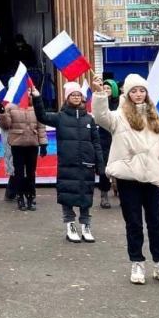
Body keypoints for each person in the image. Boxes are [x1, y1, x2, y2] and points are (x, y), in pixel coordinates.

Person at [92, 74, 159, 286]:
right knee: (134, 223)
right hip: (129, 176)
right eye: (134, 91)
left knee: (156, 223)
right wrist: (99, 94)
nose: (138, 94)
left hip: (153, 176)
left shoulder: (156, 116)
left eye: (142, 90)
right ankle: (137, 262)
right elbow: (101, 117)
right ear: (127, 93)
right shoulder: (119, 116)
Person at [32, 82, 104, 243]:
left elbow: (96, 143)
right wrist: (37, 98)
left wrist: (100, 165)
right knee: (67, 196)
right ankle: (70, 225)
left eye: (79, 95)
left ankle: (86, 225)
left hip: (87, 165)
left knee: (86, 197)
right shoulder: (60, 117)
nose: (76, 97)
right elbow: (42, 116)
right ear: (67, 98)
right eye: (73, 95)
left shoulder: (89, 119)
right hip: (67, 164)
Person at [0, 94, 47, 211]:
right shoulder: (10, 107)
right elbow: (6, 125)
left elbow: (41, 127)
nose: (27, 94)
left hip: (32, 144)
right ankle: (20, 198)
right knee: (18, 173)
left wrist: (43, 144)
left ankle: (31, 197)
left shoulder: (36, 107)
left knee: (31, 173)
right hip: (17, 145)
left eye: (29, 92)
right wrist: (2, 113)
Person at [95, 78, 119, 208]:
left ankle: (121, 193)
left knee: (120, 168)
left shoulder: (120, 103)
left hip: (118, 139)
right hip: (103, 140)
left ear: (114, 90)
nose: (106, 90)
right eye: (104, 88)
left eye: (108, 88)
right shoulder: (100, 103)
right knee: (104, 169)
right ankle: (104, 196)